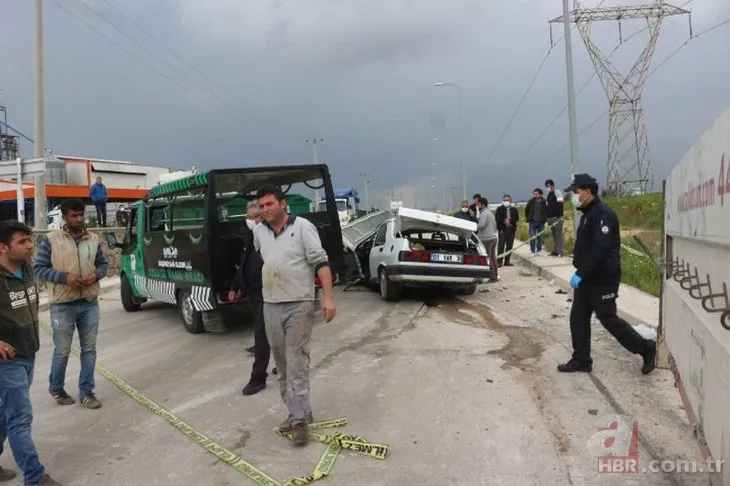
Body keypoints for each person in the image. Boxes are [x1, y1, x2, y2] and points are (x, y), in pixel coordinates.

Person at [253, 185, 336, 446]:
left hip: (299, 303)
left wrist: (328, 298)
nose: (265, 209)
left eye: (270, 204)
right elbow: (264, 260)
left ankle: (300, 420)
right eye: (262, 206)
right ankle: (297, 412)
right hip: (271, 304)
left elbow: (320, 262)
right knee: (282, 363)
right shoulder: (258, 232)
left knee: (297, 359)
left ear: (283, 203)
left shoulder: (302, 227)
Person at [557, 174, 656, 374]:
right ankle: (582, 359)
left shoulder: (603, 214)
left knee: (608, 319)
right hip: (587, 278)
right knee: (578, 317)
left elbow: (600, 249)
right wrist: (581, 272)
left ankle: (646, 347)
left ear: (588, 191)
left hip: (602, 279)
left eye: (576, 192)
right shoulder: (587, 214)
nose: (573, 196)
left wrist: (581, 273)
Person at [0, 220, 64, 485]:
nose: (30, 246)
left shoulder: (26, 269)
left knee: (6, 413)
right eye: (23, 242)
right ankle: (36, 476)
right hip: (7, 361)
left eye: (30, 240)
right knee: (20, 418)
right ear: (3, 247)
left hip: (28, 352)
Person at [33, 198, 108, 409]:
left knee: (89, 349)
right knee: (63, 350)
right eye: (74, 216)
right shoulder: (51, 240)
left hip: (89, 302)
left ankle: (86, 392)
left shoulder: (93, 239)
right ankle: (56, 387)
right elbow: (39, 268)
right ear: (64, 218)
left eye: (81, 214)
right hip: (62, 303)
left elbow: (103, 263)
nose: (78, 219)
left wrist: (98, 275)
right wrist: (64, 277)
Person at [229, 214, 270, 396]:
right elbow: (245, 264)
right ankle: (283, 363)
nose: (255, 219)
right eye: (252, 216)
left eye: (258, 216)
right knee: (270, 334)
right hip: (255, 294)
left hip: (269, 294)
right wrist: (235, 286)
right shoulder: (250, 235)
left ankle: (258, 377)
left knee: (261, 337)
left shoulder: (272, 235)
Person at [475, 197, 498, 283]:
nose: (477, 206)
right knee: (493, 258)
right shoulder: (490, 213)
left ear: (482, 204)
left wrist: (473, 226)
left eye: (478, 205)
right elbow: (495, 225)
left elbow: (481, 225)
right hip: (493, 237)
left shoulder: (484, 214)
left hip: (486, 239)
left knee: (488, 258)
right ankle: (495, 276)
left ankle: (492, 277)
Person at [494, 194, 518, 267]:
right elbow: (497, 218)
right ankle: (499, 261)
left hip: (511, 229)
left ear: (510, 201)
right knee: (501, 245)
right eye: (504, 200)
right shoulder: (499, 209)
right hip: (502, 229)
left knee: (509, 246)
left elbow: (516, 217)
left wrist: (510, 221)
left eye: (507, 200)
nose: (506, 201)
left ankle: (507, 261)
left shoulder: (514, 209)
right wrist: (504, 222)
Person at [545, 179, 565, 257]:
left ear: (552, 185)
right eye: (547, 187)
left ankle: (560, 251)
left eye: (549, 186)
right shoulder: (549, 195)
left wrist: (558, 215)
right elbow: (547, 206)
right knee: (554, 234)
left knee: (559, 234)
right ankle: (555, 250)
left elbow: (560, 203)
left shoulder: (557, 192)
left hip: (557, 217)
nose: (548, 188)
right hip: (550, 217)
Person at [524, 188, 547, 256]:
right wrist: (528, 218)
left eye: (536, 194)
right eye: (534, 194)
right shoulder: (531, 201)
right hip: (533, 222)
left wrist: (545, 219)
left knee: (540, 237)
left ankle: (539, 250)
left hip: (541, 222)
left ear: (540, 194)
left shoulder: (544, 201)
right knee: (532, 237)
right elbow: (527, 210)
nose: (535, 195)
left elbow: (546, 210)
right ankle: (532, 251)